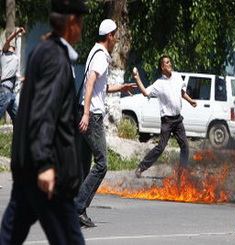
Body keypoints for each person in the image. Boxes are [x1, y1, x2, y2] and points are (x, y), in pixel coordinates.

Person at [0, 0, 88, 244]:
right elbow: (44, 113)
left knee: (8, 237)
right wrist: (45, 165)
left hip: (30, 169)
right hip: (50, 173)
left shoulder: (43, 51)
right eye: (80, 21)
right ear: (71, 22)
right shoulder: (55, 59)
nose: (81, 28)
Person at [75, 19, 136, 228]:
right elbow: (90, 83)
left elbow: (100, 87)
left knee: (84, 165)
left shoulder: (94, 52)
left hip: (86, 112)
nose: (117, 39)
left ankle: (78, 211)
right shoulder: (101, 57)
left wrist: (121, 88)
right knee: (102, 164)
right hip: (92, 115)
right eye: (115, 35)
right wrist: (86, 114)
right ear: (109, 36)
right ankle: (77, 206)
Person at [133, 56, 197, 178]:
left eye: (170, 62)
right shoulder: (159, 84)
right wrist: (137, 79)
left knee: (185, 146)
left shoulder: (177, 76)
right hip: (167, 121)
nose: (170, 64)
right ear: (162, 67)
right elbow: (145, 92)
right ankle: (141, 167)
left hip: (178, 119)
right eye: (167, 63)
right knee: (161, 147)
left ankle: (181, 174)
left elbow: (181, 92)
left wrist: (190, 101)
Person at [0, 27, 25, 124]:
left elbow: (21, 78)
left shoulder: (15, 59)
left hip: (11, 93)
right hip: (5, 91)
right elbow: (8, 40)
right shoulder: (5, 53)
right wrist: (17, 32)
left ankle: (18, 139)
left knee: (18, 120)